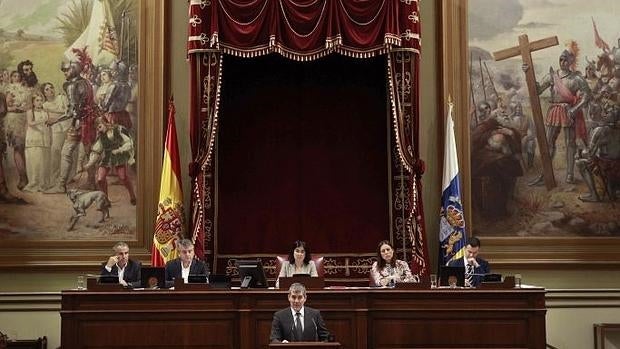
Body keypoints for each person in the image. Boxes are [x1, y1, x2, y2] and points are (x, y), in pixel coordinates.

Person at [524, 44, 592, 185]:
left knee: (570, 144)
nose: (563, 63)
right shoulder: (552, 76)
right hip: (555, 111)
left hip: (569, 112)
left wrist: (575, 109)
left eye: (566, 60)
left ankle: (569, 175)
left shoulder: (577, 78)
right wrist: (527, 73)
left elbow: (587, 96)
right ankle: (545, 174)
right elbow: (537, 90)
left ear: (571, 62)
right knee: (548, 143)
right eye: (561, 59)